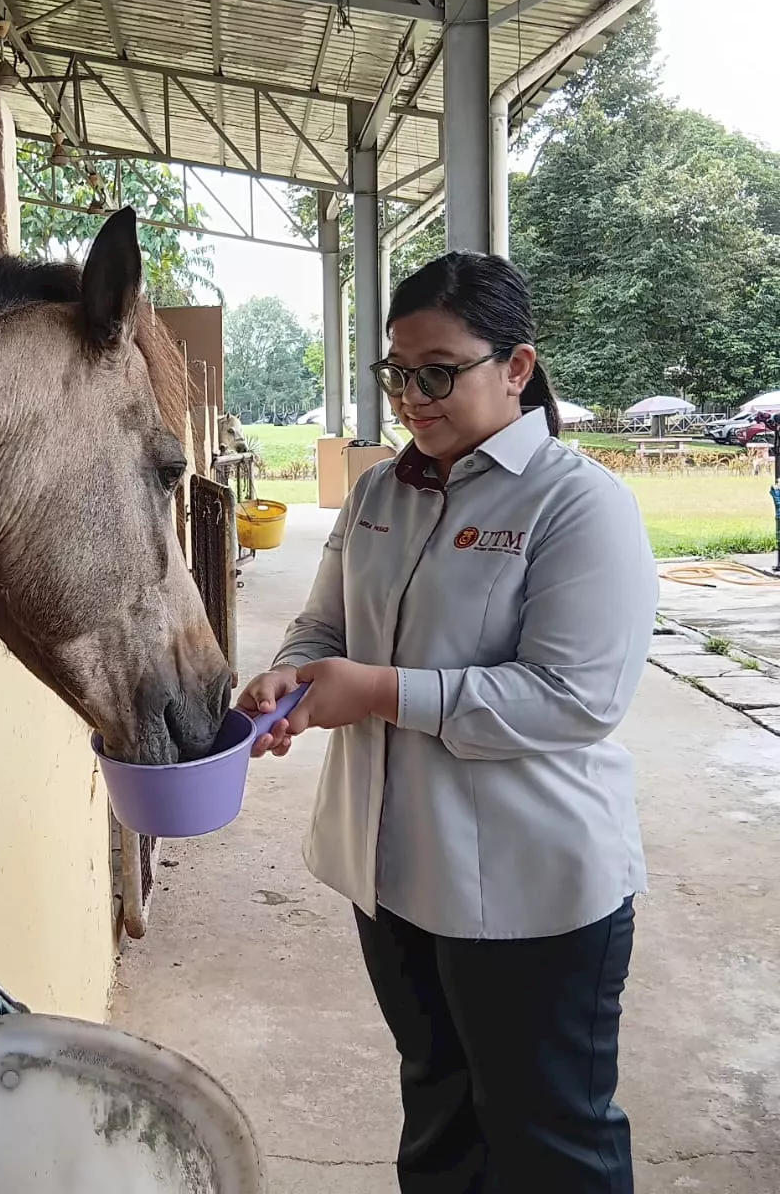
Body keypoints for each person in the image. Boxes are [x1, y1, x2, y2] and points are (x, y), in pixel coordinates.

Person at [238, 251, 658, 1194]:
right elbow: (324, 623)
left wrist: (381, 692)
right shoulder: (383, 490)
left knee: (548, 1137)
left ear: (516, 367)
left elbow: (575, 699)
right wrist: (290, 679)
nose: (414, 399)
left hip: (528, 889)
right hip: (390, 872)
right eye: (398, 373)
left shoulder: (576, 503)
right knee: (436, 1110)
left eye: (440, 372)